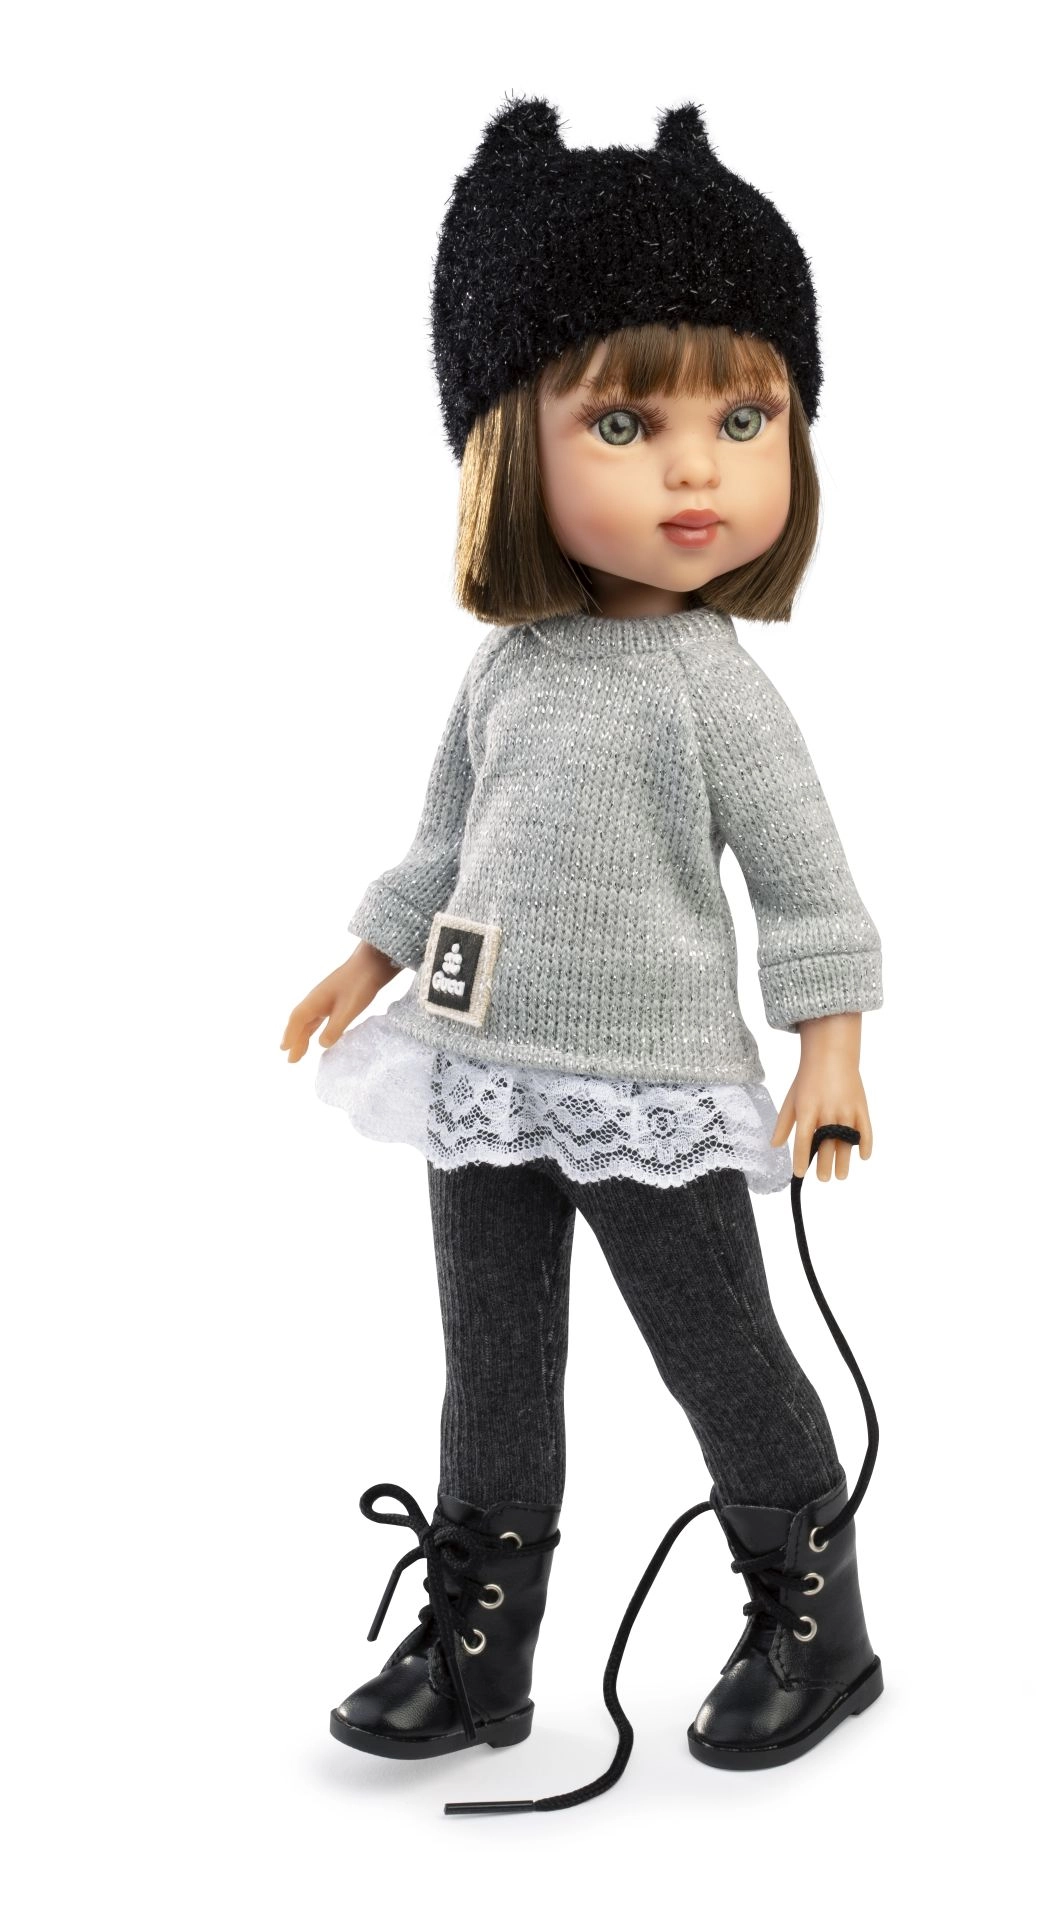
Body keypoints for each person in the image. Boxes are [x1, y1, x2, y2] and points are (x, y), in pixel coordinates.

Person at [281, 95, 885, 1803]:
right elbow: (444, 843)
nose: (696, 469)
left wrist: (831, 1053)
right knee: (492, 1366)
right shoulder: (510, 670)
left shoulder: (714, 692)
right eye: (625, 421)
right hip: (474, 1069)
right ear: (505, 445)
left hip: (648, 1086)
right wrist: (368, 955)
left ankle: (814, 1615)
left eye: (745, 419)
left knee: (721, 1352)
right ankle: (480, 1639)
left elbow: (809, 885)